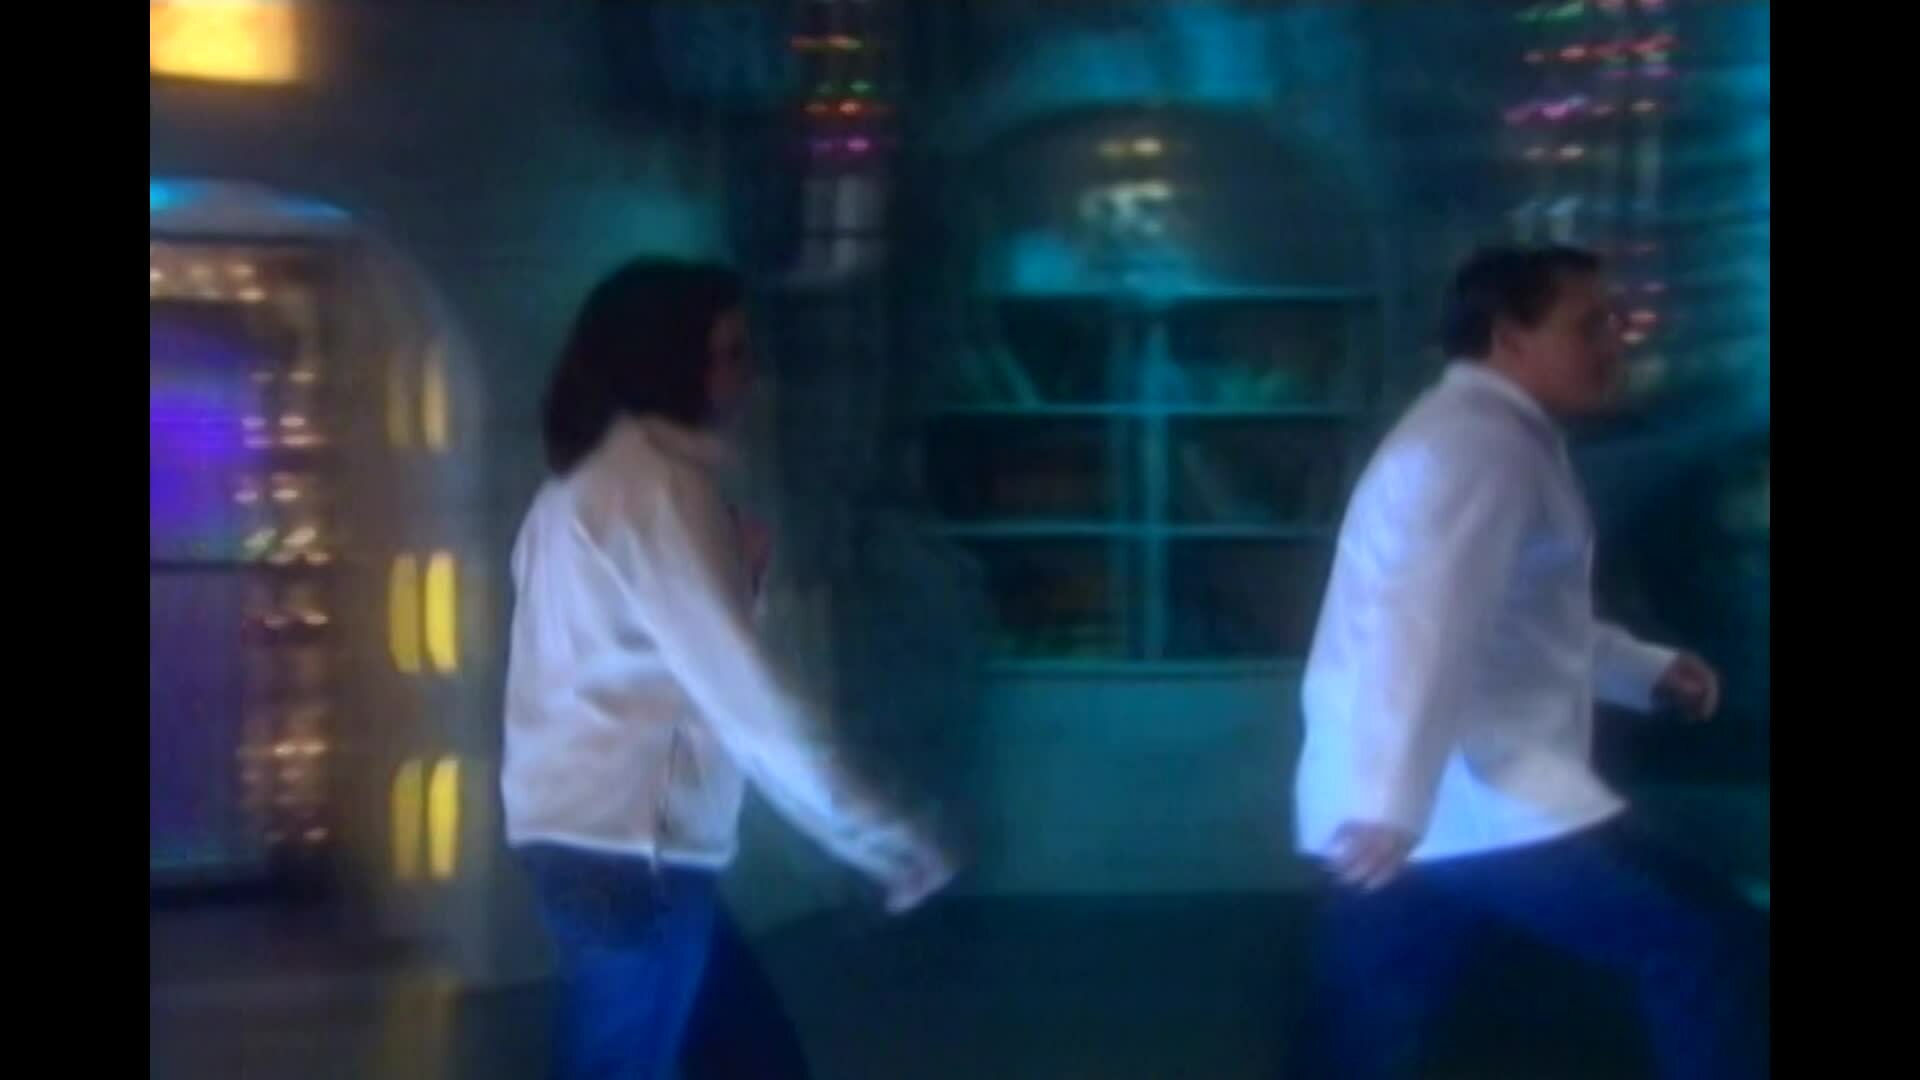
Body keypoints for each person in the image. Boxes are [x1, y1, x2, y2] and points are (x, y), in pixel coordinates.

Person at [1291, 246, 1766, 1079]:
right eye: (1589, 326)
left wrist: (1641, 669)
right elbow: (1422, 625)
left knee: (1368, 1021)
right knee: (1703, 944)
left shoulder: (1494, 437)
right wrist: (1387, 798)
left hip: (1439, 799)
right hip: (1475, 795)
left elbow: (1510, 619)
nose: (1615, 345)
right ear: (1508, 336)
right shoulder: (1477, 450)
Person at [502, 258, 956, 1080]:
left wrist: (737, 581)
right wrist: (877, 829)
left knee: (753, 1061)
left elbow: (611, 667)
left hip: (587, 841)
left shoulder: (574, 491)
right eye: (730, 353)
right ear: (670, 360)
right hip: (638, 852)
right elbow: (747, 700)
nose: (749, 375)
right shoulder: (661, 491)